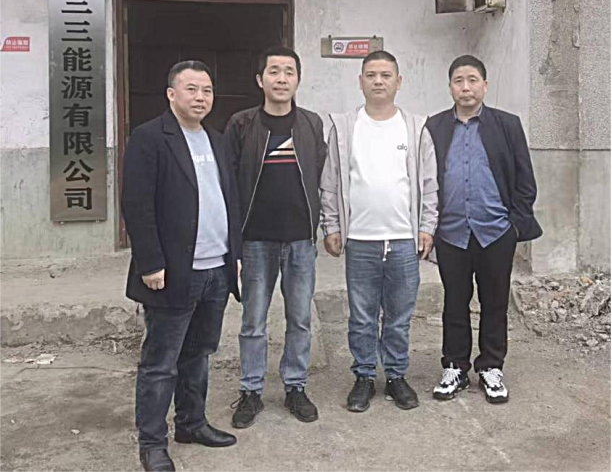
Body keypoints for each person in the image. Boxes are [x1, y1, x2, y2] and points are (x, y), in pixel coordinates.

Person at [122, 60, 241, 472]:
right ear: (172, 94)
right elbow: (137, 204)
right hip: (172, 272)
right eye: (191, 89)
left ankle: (191, 424)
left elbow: (230, 200)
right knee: (160, 363)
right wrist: (150, 262)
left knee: (199, 354)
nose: (200, 97)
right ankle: (152, 444)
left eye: (207, 90)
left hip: (216, 270)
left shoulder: (217, 140)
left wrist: (234, 257)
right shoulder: (150, 138)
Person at [320, 50, 438, 413]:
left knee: (399, 316)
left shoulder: (415, 127)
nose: (378, 81)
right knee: (362, 316)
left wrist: (426, 226)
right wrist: (332, 225)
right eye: (371, 75)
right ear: (360, 82)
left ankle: (397, 376)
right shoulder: (345, 127)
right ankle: (364, 376)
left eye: (386, 75)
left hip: (403, 239)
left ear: (398, 82)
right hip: (360, 239)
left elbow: (429, 183)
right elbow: (330, 181)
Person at [426, 55, 542, 404]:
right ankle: (455, 366)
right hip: (452, 233)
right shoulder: (434, 127)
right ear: (450, 87)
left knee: (494, 302)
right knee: (454, 301)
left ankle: (491, 366)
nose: (466, 87)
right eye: (458, 80)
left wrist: (513, 226)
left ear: (485, 86)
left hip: (495, 232)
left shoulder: (506, 125)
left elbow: (525, 181)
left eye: (472, 80)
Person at [225, 46, 327, 428]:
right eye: (274, 71)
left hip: (300, 240)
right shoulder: (241, 124)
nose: (281, 78)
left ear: (298, 79)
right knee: (253, 320)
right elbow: (229, 182)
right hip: (256, 241)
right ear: (260, 79)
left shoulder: (311, 124)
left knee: (300, 318)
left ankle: (295, 386)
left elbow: (320, 175)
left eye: (289, 72)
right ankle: (251, 390)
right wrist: (233, 242)